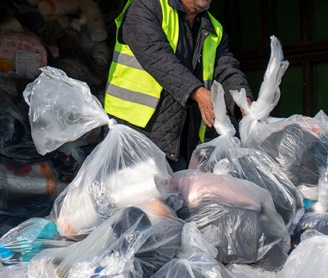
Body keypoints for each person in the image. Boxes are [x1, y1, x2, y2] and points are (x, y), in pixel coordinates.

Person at [104, 0, 250, 165]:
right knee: (133, 189)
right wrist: (198, 92)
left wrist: (244, 102)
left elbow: (226, 69)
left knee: (180, 188)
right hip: (133, 133)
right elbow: (157, 56)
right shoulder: (146, 6)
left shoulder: (214, 28)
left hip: (181, 137)